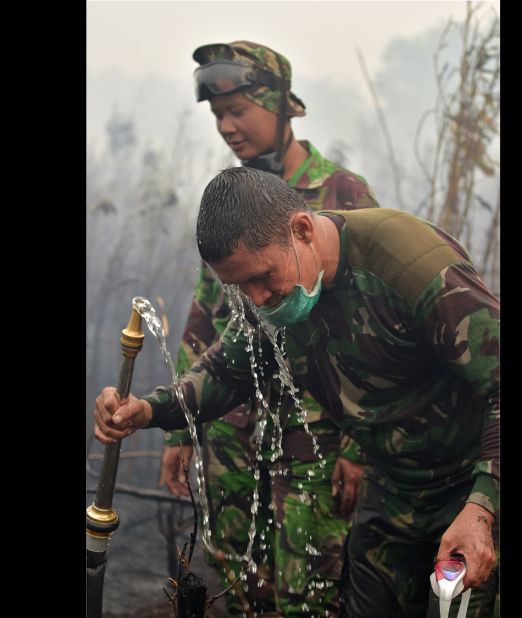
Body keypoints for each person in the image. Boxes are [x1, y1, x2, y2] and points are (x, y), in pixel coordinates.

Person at [97, 166, 500, 617]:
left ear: (303, 229)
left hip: (475, 483)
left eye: (263, 277)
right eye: (241, 287)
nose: (258, 298)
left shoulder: (412, 267)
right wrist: (147, 410)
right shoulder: (275, 300)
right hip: (391, 488)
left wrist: (483, 507)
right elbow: (226, 374)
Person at [159, 41, 379, 616]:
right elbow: (205, 314)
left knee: (311, 586)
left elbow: (371, 328)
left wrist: (358, 445)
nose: (228, 127)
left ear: (282, 106)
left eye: (239, 111)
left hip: (314, 430)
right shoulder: (230, 197)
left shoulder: (341, 194)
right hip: (233, 429)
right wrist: (182, 428)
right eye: (217, 116)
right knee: (238, 577)